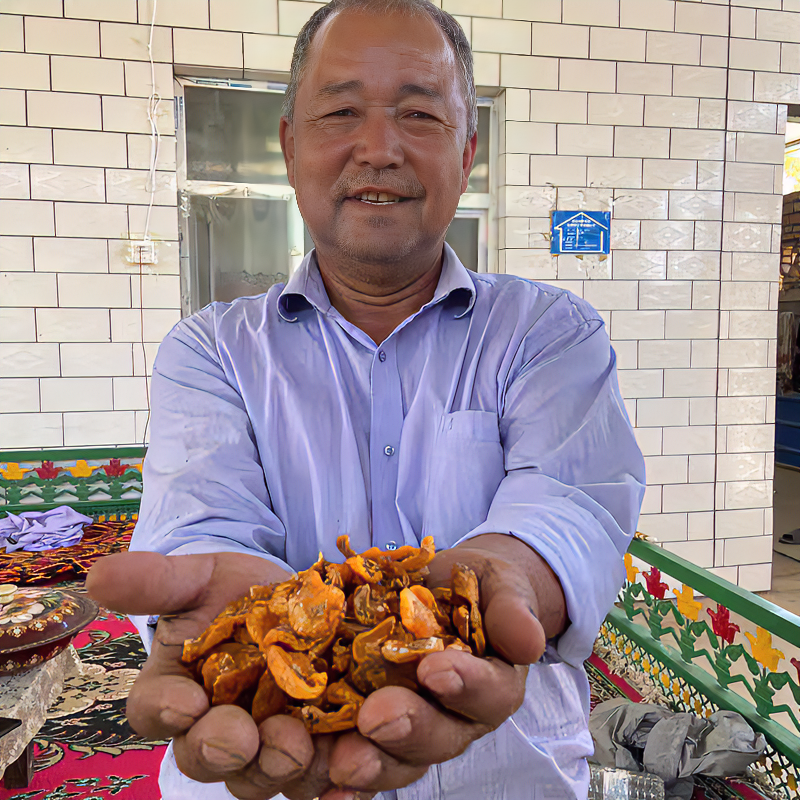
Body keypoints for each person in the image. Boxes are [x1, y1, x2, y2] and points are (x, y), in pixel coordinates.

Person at [87, 1, 646, 798]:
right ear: (289, 145)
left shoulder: (550, 333)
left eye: (420, 114)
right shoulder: (209, 350)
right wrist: (235, 628)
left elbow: (572, 505)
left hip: (507, 774)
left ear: (468, 147)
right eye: (341, 110)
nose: (379, 148)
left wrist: (515, 579)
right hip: (255, 768)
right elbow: (200, 517)